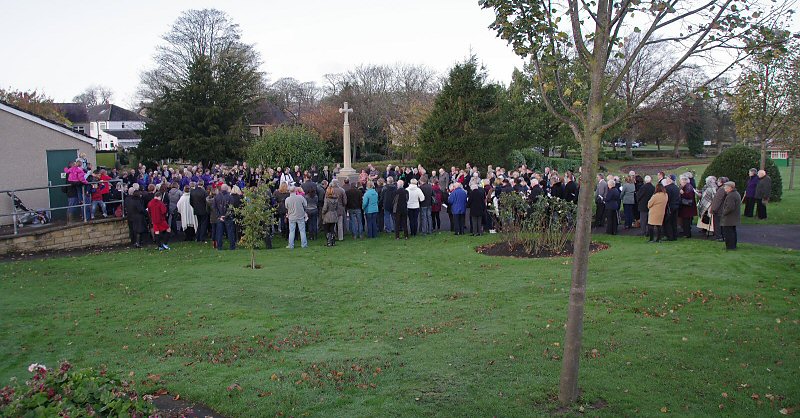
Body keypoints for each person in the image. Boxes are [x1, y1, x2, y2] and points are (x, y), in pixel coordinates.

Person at [213, 184, 236, 250]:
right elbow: (231, 208)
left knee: (219, 233)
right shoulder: (230, 197)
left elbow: (214, 208)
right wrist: (225, 216)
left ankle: (219, 246)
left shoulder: (217, 197)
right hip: (228, 217)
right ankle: (232, 246)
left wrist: (219, 216)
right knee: (230, 232)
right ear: (227, 189)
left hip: (220, 217)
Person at [720, 181, 741, 250]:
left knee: (729, 233)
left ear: (730, 188)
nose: (724, 188)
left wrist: (723, 213)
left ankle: (730, 247)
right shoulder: (735, 194)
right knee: (732, 232)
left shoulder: (731, 195)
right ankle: (733, 246)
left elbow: (730, 207)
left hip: (730, 217)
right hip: (733, 217)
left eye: (726, 187)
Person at [709, 176, 728, 242]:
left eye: (718, 181)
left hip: (719, 210)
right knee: (722, 223)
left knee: (717, 223)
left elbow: (717, 200)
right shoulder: (725, 188)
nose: (717, 182)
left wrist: (713, 209)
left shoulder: (721, 189)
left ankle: (719, 237)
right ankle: (723, 236)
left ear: (721, 182)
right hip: (723, 209)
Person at [664, 176, 680, 241]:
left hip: (669, 207)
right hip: (676, 206)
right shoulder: (676, 187)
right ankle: (675, 236)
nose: (666, 180)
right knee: (674, 222)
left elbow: (667, 198)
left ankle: (670, 236)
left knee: (668, 222)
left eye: (667, 179)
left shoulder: (667, 188)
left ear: (670, 180)